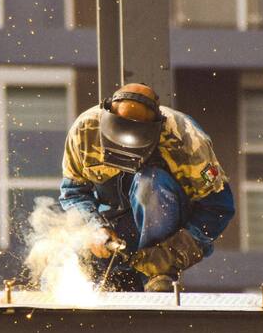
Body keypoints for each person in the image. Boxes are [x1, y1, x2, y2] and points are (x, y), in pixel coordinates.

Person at [59, 83, 235, 292]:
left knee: (149, 184)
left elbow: (218, 208)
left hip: (166, 231)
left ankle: (156, 276)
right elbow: (73, 193)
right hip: (112, 226)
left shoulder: (187, 139)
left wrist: (171, 253)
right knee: (63, 268)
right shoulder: (85, 131)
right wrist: (94, 227)